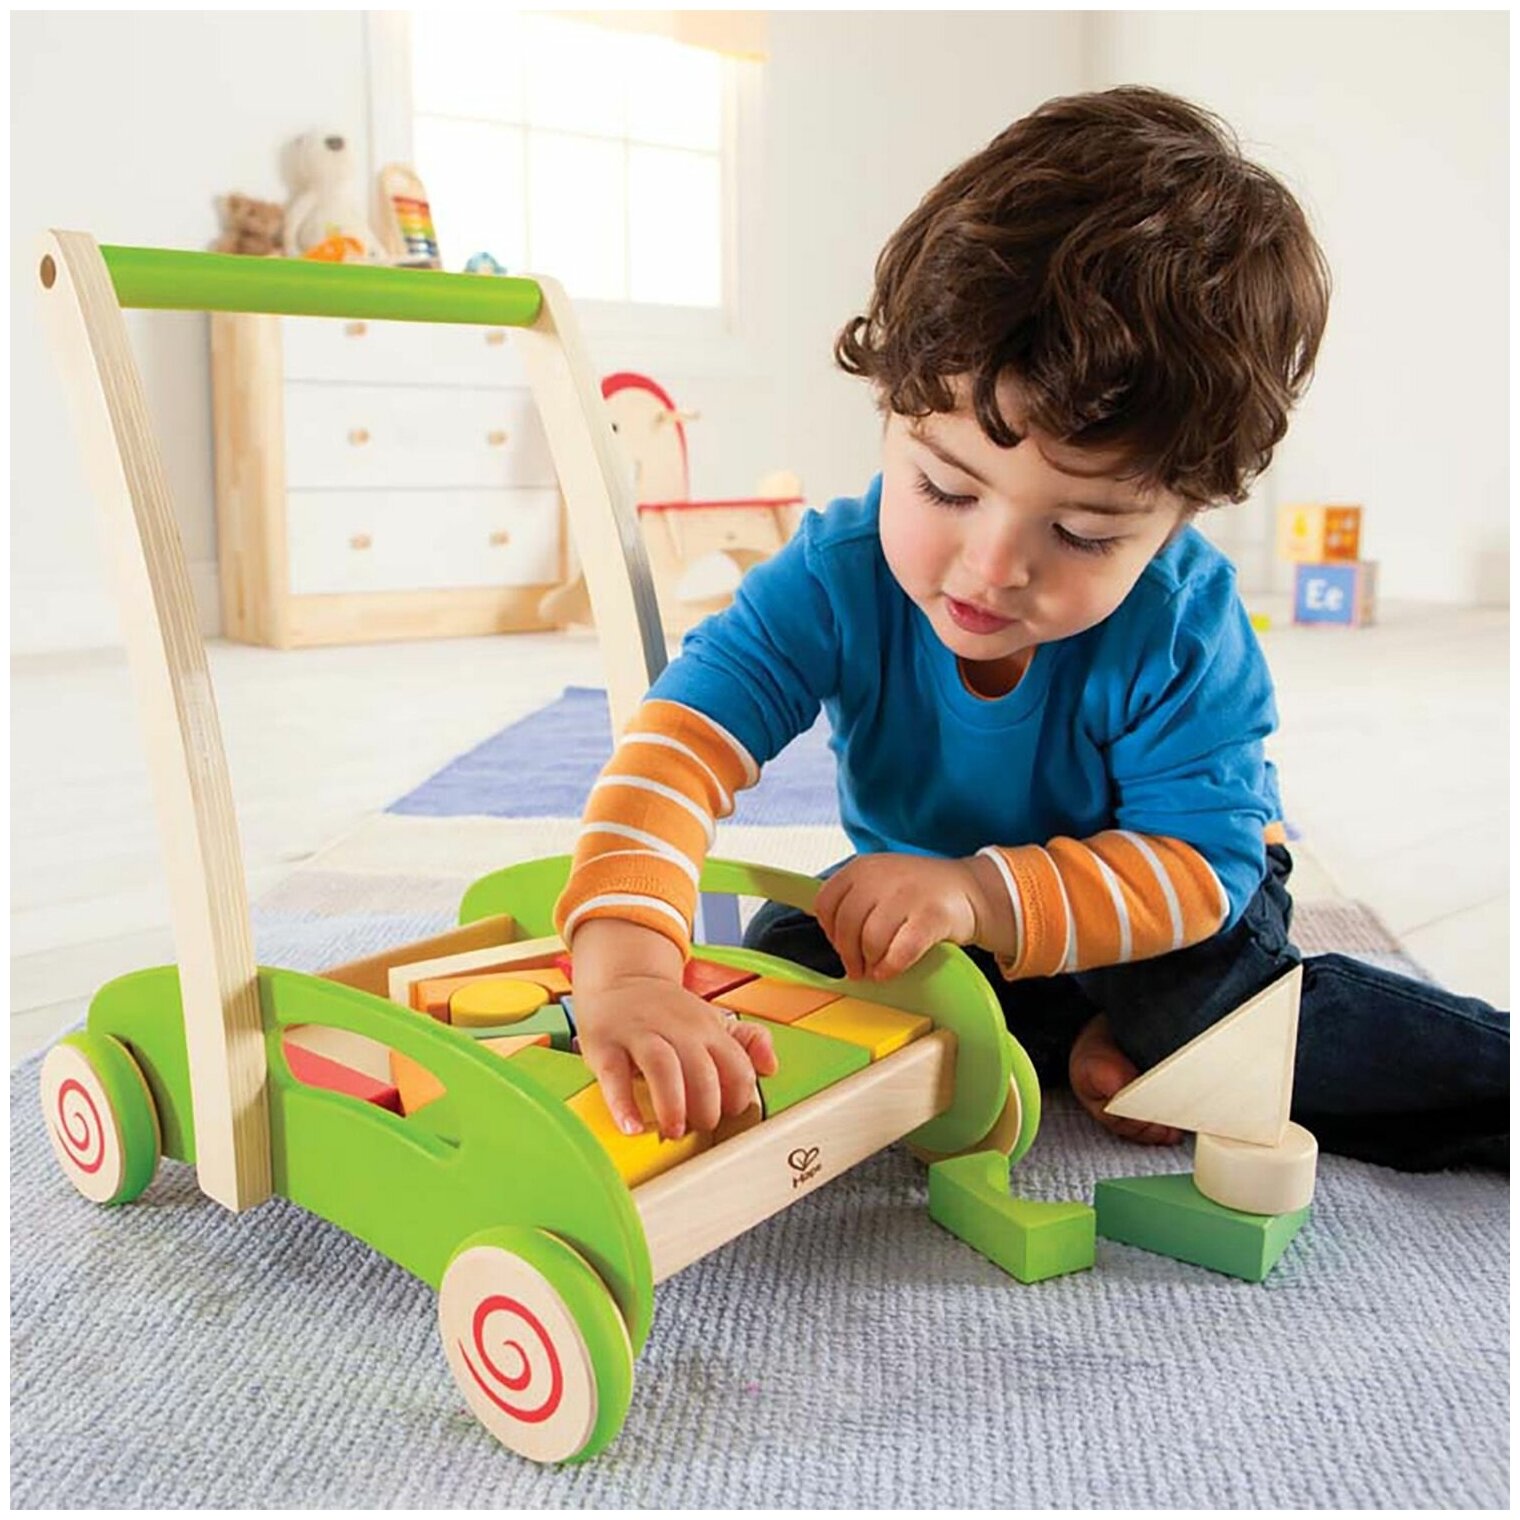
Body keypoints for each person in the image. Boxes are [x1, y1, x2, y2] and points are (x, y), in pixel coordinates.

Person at [552, 86, 1508, 1173]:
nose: (993, 567)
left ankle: (1448, 1076)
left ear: (1182, 514)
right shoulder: (832, 576)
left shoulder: (1180, 628)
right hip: (952, 909)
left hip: (1163, 901)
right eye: (946, 489)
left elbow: (1200, 870)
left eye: (1084, 532)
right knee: (792, 959)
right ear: (891, 409)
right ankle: (1092, 1040)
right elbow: (675, 747)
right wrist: (629, 965)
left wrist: (978, 892)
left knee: (1204, 1010)